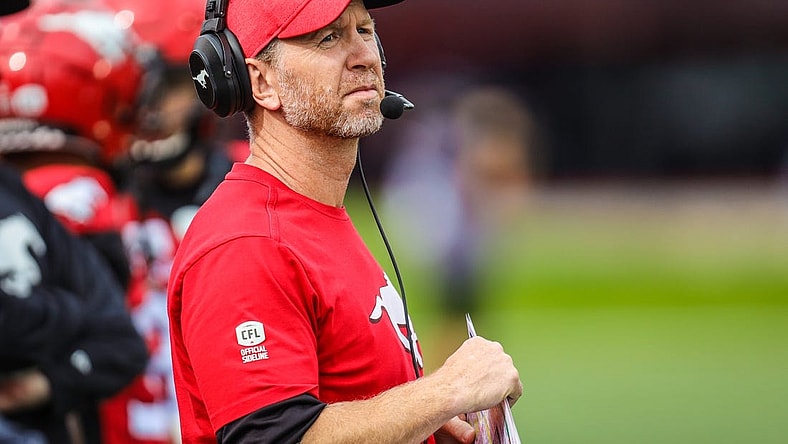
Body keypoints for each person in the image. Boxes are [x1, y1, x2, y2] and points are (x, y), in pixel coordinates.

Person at [167, 0, 523, 443]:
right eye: (328, 37)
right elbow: (275, 437)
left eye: (366, 30)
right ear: (260, 81)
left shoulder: (313, 215)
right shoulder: (247, 242)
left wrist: (420, 427)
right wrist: (445, 393)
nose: (365, 55)